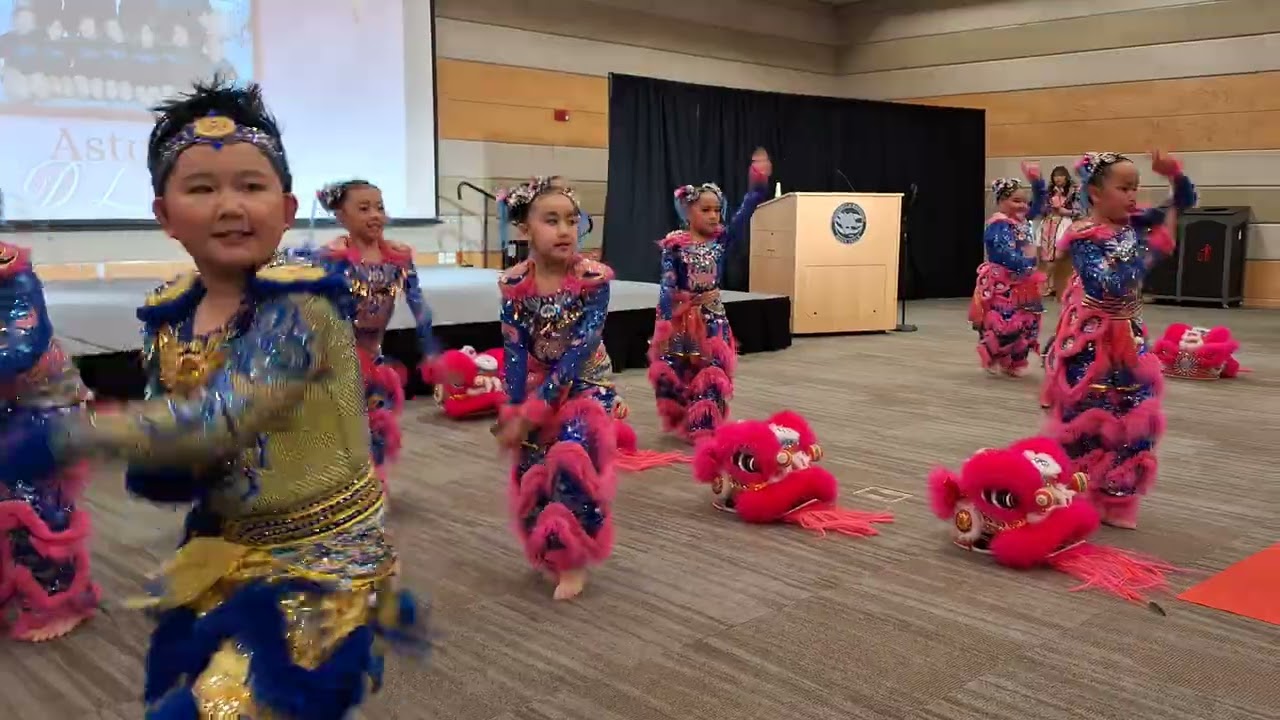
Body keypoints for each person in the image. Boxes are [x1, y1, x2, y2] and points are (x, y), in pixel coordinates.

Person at [0, 76, 425, 716]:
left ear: (285, 209)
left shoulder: (301, 305)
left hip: (325, 559)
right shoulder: (170, 315)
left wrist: (66, 435)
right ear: (164, 215)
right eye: (202, 188)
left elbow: (217, 421)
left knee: (224, 707)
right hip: (227, 544)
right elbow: (180, 441)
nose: (230, 205)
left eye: (250, 186)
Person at [1041, 151, 1196, 530]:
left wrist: (1176, 175)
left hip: (1130, 337)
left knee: (1134, 417)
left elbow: (1183, 202)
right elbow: (1108, 283)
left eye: (1135, 188)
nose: (1132, 196)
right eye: (1123, 188)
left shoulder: (1135, 220)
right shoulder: (1082, 237)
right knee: (1088, 420)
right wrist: (1151, 248)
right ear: (1095, 192)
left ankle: (1119, 494)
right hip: (1091, 343)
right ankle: (1083, 490)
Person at [492, 176, 620, 601]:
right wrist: (514, 409)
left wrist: (537, 408)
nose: (565, 230)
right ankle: (546, 545)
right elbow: (514, 350)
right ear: (525, 229)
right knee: (531, 471)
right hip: (536, 381)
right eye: (551, 220)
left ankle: (573, 557)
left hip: (585, 382)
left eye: (571, 220)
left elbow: (581, 349)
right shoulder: (514, 285)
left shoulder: (592, 280)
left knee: (571, 458)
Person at [0, 241, 99, 642]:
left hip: (44, 407)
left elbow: (21, 345)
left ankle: (61, 602)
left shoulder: (11, 274)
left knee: (30, 500)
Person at [314, 178, 440, 490]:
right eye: (364, 208)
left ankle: (372, 486)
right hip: (338, 359)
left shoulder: (397, 258)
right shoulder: (332, 259)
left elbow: (418, 304)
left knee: (378, 424)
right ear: (341, 216)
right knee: (342, 428)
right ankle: (338, 488)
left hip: (376, 359)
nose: (375, 215)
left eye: (380, 207)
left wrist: (431, 350)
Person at [648, 148, 772, 441]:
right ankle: (686, 415)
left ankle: (707, 422)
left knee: (713, 369)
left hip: (713, 317)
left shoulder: (722, 240)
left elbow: (743, 216)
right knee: (682, 367)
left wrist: (756, 190)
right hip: (683, 317)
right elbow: (667, 284)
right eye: (706, 210)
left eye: (717, 209)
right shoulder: (675, 245)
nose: (714, 215)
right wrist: (664, 323)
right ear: (688, 212)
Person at [971, 164, 1046, 376]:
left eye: (1024, 200)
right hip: (1002, 282)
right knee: (1004, 322)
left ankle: (1015, 361)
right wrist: (1025, 261)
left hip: (1023, 281)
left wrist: (1037, 183)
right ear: (1001, 201)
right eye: (1016, 201)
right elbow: (1002, 252)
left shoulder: (1021, 221)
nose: (1023, 205)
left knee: (1026, 320)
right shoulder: (999, 224)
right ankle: (994, 356)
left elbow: (1039, 205)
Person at [1038, 165, 1080, 297]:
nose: (1058, 178)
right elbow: (1041, 209)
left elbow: (1079, 211)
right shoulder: (1049, 192)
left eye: (1061, 175)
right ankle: (1049, 285)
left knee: (1058, 254)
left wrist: (1065, 211)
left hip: (1064, 223)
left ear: (1066, 177)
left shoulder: (1074, 192)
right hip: (1049, 224)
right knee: (1047, 255)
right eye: (1055, 176)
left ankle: (1048, 282)